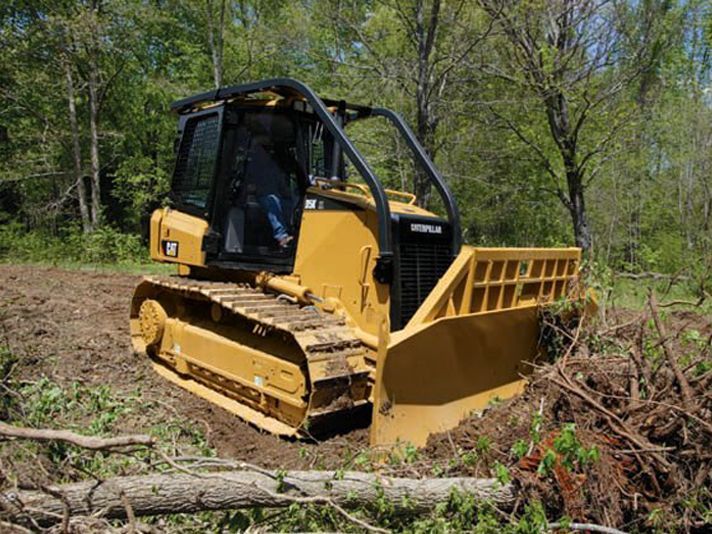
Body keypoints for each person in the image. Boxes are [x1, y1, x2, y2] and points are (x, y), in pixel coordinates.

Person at [246, 134, 294, 248]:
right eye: (263, 148)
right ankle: (281, 236)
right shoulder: (249, 165)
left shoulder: (273, 167)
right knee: (271, 201)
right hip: (255, 197)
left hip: (274, 196)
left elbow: (282, 186)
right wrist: (251, 188)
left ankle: (294, 234)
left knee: (291, 203)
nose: (267, 152)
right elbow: (245, 184)